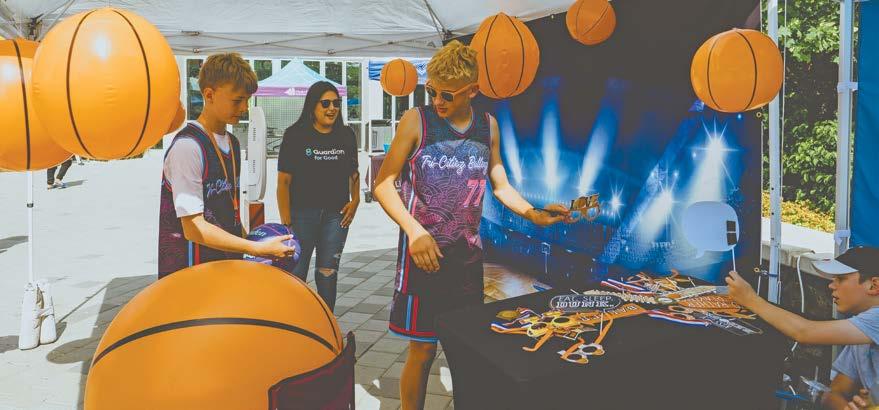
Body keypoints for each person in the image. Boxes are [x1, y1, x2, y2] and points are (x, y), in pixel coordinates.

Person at [373, 41, 571, 410]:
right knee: (422, 352)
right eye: (431, 90)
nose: (437, 101)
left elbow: (500, 183)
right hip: (424, 260)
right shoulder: (416, 120)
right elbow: (383, 184)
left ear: (473, 91)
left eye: (447, 94)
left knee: (466, 349)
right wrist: (415, 232)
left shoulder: (487, 126)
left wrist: (533, 213)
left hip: (466, 261)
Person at [158, 52, 295, 278]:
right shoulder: (187, 147)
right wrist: (256, 248)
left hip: (224, 270)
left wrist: (253, 245)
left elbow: (230, 212)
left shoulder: (232, 142)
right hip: (190, 275)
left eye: (247, 100)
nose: (244, 108)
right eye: (237, 100)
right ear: (209, 94)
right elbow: (193, 228)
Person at [725, 246, 879, 409]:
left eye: (840, 279)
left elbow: (804, 332)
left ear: (874, 286)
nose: (831, 286)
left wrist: (750, 299)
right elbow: (834, 393)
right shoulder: (861, 332)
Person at [277, 81, 360, 312]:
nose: (332, 108)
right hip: (302, 216)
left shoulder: (346, 135)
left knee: (328, 274)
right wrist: (286, 222)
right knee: (296, 273)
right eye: (325, 104)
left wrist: (355, 200)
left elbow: (353, 172)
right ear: (312, 106)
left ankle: (326, 324)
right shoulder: (295, 135)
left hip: (336, 216)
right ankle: (295, 323)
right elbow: (283, 182)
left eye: (336, 103)